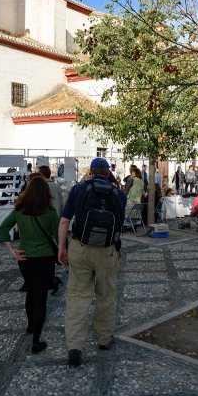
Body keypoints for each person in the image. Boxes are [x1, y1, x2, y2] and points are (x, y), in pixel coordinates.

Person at [57, 157, 127, 367]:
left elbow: (64, 220)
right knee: (106, 294)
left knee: (78, 296)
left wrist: (62, 247)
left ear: (91, 172)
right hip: (107, 251)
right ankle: (104, 339)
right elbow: (120, 225)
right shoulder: (119, 194)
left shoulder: (79, 190)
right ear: (107, 173)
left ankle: (75, 347)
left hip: (80, 247)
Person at [0, 176, 61, 354]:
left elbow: (3, 228)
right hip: (45, 258)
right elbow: (59, 237)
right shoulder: (49, 212)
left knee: (31, 291)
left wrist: (12, 250)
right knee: (41, 296)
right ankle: (36, 340)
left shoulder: (20, 210)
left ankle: (30, 326)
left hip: (25, 258)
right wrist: (64, 254)